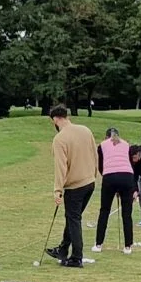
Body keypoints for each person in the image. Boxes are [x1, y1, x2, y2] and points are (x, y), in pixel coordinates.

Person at [46, 105, 97, 268]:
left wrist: (58, 190)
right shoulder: (85, 130)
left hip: (75, 186)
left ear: (55, 119)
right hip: (90, 182)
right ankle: (62, 249)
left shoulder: (60, 139)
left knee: (74, 219)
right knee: (72, 217)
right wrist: (94, 174)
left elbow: (61, 166)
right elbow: (95, 154)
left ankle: (76, 257)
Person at [95, 125, 140, 255]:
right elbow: (130, 164)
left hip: (110, 176)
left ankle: (98, 244)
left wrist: (110, 182)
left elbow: (101, 166)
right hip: (127, 177)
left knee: (104, 210)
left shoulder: (102, 145)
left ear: (106, 137)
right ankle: (128, 246)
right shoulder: (126, 144)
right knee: (127, 213)